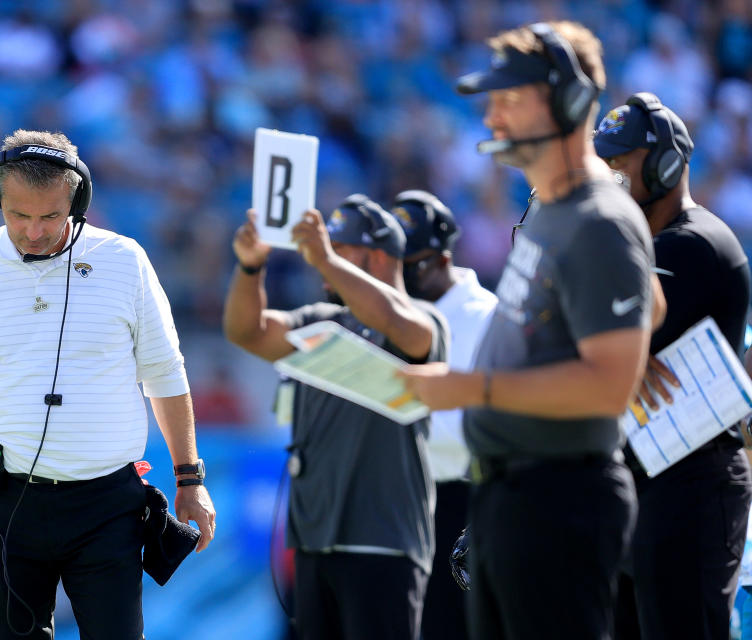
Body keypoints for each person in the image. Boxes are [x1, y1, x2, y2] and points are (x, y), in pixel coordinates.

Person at [0, 129, 215, 640]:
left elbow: (165, 375)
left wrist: (190, 480)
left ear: (77, 200)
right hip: (2, 506)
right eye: (18, 215)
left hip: (108, 504)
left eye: (51, 216)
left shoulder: (125, 261)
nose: (33, 231)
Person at [398, 21, 667, 639]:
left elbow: (607, 390)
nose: (492, 118)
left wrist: (472, 389)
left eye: (509, 100)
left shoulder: (597, 219)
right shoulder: (555, 207)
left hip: (559, 500)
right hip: (515, 497)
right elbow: (648, 302)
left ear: (570, 102)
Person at [223, 194, 448, 640]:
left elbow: (403, 326)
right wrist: (251, 268)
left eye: (342, 247)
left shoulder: (423, 318)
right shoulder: (321, 320)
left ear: (380, 255)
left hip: (383, 541)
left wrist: (325, 260)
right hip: (313, 541)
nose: (324, 258)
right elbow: (245, 331)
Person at [594, 92, 752, 640]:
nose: (608, 173)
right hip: (642, 485)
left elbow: (586, 339)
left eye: (620, 159)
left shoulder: (692, 244)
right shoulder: (644, 244)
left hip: (689, 489)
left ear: (664, 161)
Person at [390, 190, 497, 640]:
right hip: (408, 496)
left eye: (410, 264)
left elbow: (485, 425)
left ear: (441, 257)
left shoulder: (487, 316)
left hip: (468, 498)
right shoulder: (395, 314)